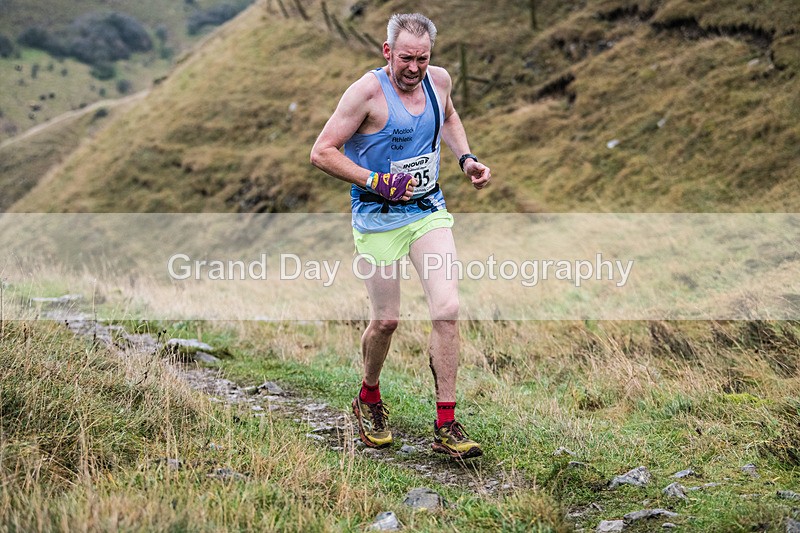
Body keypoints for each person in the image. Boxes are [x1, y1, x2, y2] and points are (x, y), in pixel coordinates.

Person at [310, 13, 491, 459]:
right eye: (406, 58)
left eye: (423, 58)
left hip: (428, 209)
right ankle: (368, 396)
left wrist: (465, 159)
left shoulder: (439, 81)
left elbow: (448, 116)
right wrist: (376, 180)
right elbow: (321, 152)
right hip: (376, 217)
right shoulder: (365, 93)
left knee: (447, 309)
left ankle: (446, 423)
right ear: (387, 51)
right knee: (386, 321)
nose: (414, 68)